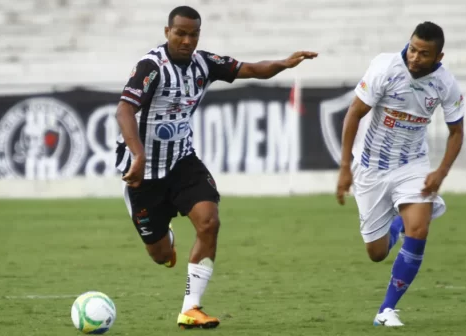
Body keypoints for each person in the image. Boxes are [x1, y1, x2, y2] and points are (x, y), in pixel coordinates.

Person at [115, 5, 317, 330]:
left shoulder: (204, 64)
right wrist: (137, 155)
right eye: (180, 33)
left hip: (182, 163)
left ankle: (191, 308)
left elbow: (251, 69)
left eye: (193, 34)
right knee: (160, 255)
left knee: (209, 222)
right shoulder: (150, 67)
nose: (186, 40)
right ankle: (163, 236)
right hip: (144, 174)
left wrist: (285, 62)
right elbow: (124, 111)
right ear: (167, 32)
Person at [336, 21, 465, 327]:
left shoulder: (446, 84)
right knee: (377, 253)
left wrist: (441, 172)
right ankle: (397, 224)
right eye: (413, 49)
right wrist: (344, 168)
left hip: (413, 165)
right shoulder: (385, 68)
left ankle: (386, 310)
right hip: (371, 167)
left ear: (439, 56)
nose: (415, 57)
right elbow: (354, 113)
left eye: (424, 53)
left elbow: (456, 132)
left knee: (419, 230)